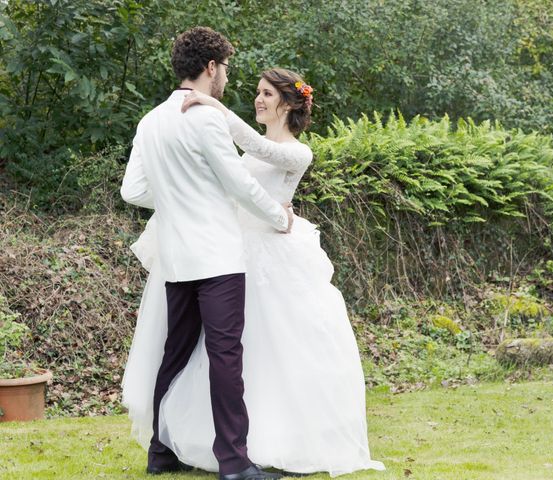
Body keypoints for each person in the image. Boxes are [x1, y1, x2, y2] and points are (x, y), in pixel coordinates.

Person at [122, 67, 385, 477]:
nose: (258, 99)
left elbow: (257, 155)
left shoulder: (298, 152)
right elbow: (235, 183)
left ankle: (275, 441)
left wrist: (215, 108)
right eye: (257, 93)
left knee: (274, 351)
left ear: (288, 102)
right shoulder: (252, 147)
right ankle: (206, 444)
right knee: (223, 354)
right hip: (233, 251)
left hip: (272, 256)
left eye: (266, 94)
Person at [120, 26, 291, 480]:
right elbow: (238, 182)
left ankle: (161, 454)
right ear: (210, 67)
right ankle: (234, 464)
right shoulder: (206, 117)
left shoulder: (150, 120)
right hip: (218, 258)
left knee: (174, 354)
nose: (228, 80)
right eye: (227, 69)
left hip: (176, 261)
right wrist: (280, 217)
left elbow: (132, 189)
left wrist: (177, 196)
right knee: (225, 357)